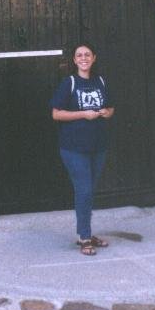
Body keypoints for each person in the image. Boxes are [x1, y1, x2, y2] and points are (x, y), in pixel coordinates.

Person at [50, 43, 115, 256]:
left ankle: (83, 233)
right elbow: (56, 114)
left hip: (98, 146)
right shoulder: (68, 82)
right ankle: (85, 237)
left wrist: (106, 112)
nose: (84, 58)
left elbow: (111, 107)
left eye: (87, 54)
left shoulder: (101, 81)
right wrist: (83, 114)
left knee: (88, 191)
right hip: (74, 148)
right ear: (75, 60)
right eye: (79, 55)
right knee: (84, 190)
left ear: (94, 58)